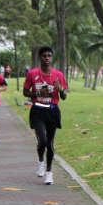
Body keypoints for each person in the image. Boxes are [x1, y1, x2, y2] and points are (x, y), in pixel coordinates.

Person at [23, 47, 68, 185]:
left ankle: (49, 173)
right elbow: (25, 92)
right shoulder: (32, 73)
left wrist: (59, 87)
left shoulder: (58, 75)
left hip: (52, 111)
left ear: (52, 58)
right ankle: (41, 161)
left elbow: (64, 96)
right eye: (44, 56)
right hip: (37, 110)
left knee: (50, 143)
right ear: (40, 58)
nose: (46, 58)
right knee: (42, 141)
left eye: (49, 56)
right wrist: (36, 94)